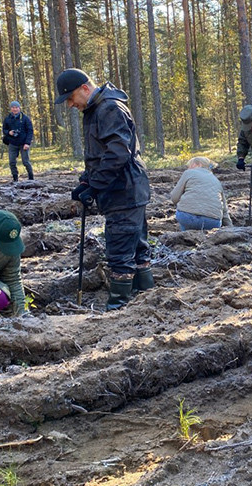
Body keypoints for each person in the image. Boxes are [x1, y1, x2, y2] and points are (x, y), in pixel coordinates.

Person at [54, 68, 153, 311]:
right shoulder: (97, 109)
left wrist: (96, 185)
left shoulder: (108, 108)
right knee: (136, 245)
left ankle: (119, 307)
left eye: (70, 98)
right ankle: (146, 299)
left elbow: (118, 153)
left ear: (85, 89)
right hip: (126, 189)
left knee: (120, 249)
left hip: (124, 191)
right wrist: (86, 182)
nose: (69, 105)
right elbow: (100, 155)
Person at [170, 156, 233, 230]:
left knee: (185, 221)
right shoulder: (216, 180)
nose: (188, 168)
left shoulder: (189, 173)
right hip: (213, 222)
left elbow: (174, 198)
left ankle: (185, 236)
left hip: (188, 217)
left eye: (190, 165)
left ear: (198, 164)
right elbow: (224, 209)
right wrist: (230, 227)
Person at [2, 101, 34, 182]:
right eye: (13, 107)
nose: (15, 109)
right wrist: (8, 132)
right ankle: (15, 178)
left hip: (23, 144)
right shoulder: (7, 119)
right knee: (12, 162)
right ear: (11, 108)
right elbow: (4, 130)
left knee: (25, 162)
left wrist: (27, 143)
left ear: (19, 108)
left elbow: (30, 131)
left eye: (16, 107)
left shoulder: (25, 118)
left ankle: (31, 178)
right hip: (12, 143)